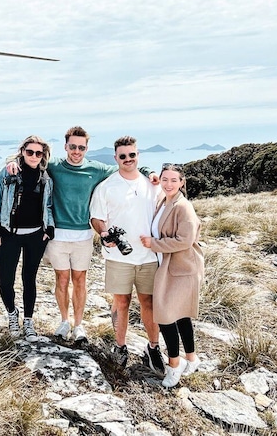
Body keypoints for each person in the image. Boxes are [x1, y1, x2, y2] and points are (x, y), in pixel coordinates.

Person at [7, 127, 157, 343]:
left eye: (81, 147)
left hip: (84, 235)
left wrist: (148, 171)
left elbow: (125, 167)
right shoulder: (54, 166)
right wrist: (11, 163)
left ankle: (78, 325)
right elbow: (30, 161)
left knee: (80, 280)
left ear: (87, 148)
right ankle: (64, 321)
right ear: (65, 146)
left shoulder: (96, 169)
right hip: (57, 234)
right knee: (62, 279)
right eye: (73, 146)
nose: (77, 151)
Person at [89, 136, 166, 377]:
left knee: (149, 303)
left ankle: (153, 347)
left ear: (138, 155)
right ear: (116, 158)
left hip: (149, 257)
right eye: (123, 156)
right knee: (121, 302)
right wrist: (103, 232)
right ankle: (120, 346)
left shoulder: (153, 185)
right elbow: (96, 217)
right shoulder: (107, 186)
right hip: (118, 257)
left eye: (132, 155)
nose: (128, 159)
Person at [140, 163, 204, 388]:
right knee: (180, 316)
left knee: (166, 317)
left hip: (182, 269)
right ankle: (192, 359)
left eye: (173, 180)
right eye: (165, 179)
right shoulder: (163, 200)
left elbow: (184, 240)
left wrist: (153, 244)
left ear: (182, 182)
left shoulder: (183, 206)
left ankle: (174, 366)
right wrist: (151, 175)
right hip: (169, 267)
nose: (168, 184)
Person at [0, 136, 55, 342]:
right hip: (10, 235)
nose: (34, 156)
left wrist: (49, 229)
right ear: (22, 152)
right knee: (5, 280)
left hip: (36, 236)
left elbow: (48, 206)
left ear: (43, 155)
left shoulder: (46, 178)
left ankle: (28, 320)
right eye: (30, 152)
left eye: (38, 153)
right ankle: (11, 313)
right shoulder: (8, 173)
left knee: (29, 279)